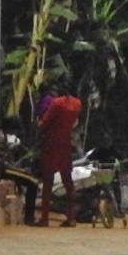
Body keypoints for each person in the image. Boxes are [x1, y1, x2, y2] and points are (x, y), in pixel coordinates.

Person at [36, 87, 82, 226]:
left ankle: (44, 218)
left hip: (51, 144)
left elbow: (44, 123)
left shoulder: (56, 103)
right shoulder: (77, 103)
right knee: (68, 182)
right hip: (65, 144)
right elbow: (74, 123)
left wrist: (37, 123)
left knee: (47, 182)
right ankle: (71, 217)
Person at [0, 119, 41, 226]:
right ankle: (29, 217)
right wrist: (19, 170)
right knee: (32, 183)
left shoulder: (3, 137)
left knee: (29, 179)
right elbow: (4, 163)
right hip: (3, 169)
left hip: (6, 168)